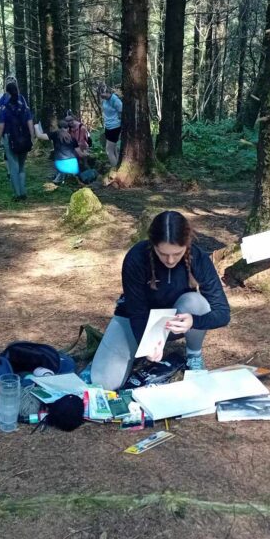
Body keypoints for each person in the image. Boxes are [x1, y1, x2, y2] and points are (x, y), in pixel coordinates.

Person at [91, 210, 230, 390]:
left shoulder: (198, 257)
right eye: (162, 253)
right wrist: (147, 343)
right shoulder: (136, 257)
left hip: (175, 318)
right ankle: (135, 353)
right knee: (104, 383)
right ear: (153, 244)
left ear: (187, 245)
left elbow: (223, 313)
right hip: (137, 318)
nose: (170, 260)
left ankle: (194, 354)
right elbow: (136, 311)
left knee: (196, 302)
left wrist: (193, 321)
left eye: (177, 253)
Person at [0, 82, 34, 201]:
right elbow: (30, 123)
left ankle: (18, 194)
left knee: (14, 167)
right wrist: (31, 137)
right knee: (22, 167)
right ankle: (23, 192)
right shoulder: (24, 107)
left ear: (7, 92)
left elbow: (1, 126)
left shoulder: (5, 108)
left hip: (10, 139)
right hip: (24, 139)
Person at [34, 118, 84, 183]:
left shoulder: (55, 134)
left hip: (61, 164)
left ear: (58, 127)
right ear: (68, 128)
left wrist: (36, 127)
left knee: (57, 161)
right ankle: (67, 176)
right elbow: (80, 153)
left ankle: (60, 176)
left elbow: (39, 136)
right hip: (73, 165)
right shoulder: (72, 138)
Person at [99, 84, 122, 171]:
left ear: (108, 92)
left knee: (108, 151)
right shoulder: (105, 100)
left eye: (103, 93)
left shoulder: (115, 100)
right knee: (114, 149)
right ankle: (118, 166)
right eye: (100, 94)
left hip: (115, 127)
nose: (101, 96)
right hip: (108, 126)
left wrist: (119, 121)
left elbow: (122, 111)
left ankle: (115, 170)